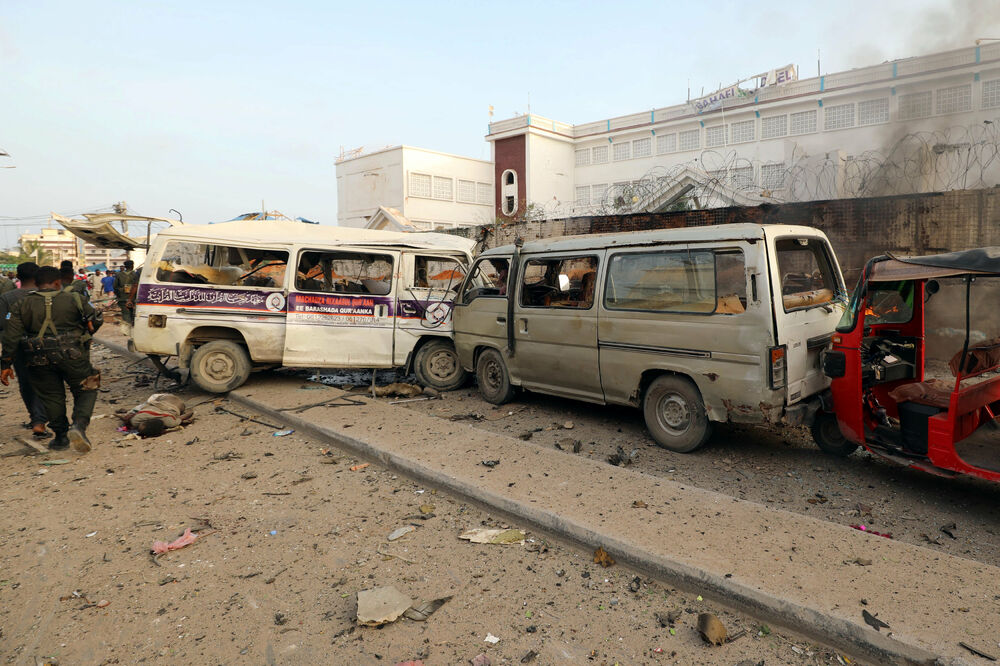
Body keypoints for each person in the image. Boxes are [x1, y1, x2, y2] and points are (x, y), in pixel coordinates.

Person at [1, 266, 100, 452]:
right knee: (88, 387)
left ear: (36, 284)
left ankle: (61, 437)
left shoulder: (21, 304)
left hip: (37, 358)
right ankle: (78, 425)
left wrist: (5, 364)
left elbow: (10, 337)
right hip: (73, 354)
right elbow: (96, 320)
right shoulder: (75, 298)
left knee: (52, 395)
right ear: (57, 282)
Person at [0, 262, 48, 438]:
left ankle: (37, 419)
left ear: (17, 277)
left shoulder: (7, 297)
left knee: (26, 383)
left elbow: (3, 323)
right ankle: (42, 419)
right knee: (47, 382)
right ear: (38, 277)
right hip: (45, 346)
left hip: (19, 346)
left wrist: (6, 355)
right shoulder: (46, 295)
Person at [113, 259, 138, 326]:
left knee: (125, 313)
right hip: (134, 297)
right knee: (133, 313)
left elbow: (115, 287)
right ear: (132, 266)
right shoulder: (136, 275)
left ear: (125, 267)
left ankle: (127, 327)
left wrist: (119, 293)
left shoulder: (119, 275)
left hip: (123, 297)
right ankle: (132, 326)